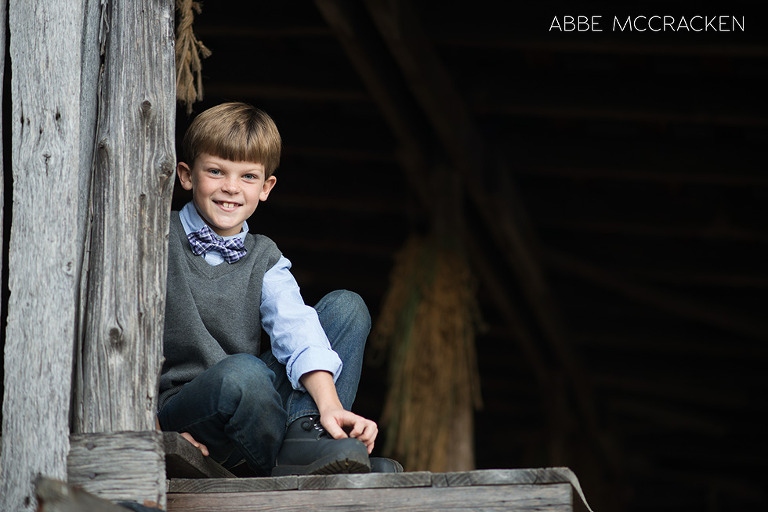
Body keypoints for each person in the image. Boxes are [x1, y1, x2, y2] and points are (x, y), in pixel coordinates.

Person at [157, 102, 400, 476]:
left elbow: (296, 328)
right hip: (189, 407)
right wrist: (153, 429)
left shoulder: (264, 256)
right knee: (244, 374)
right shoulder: (158, 235)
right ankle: (296, 461)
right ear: (187, 176)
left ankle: (311, 437)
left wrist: (331, 406)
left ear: (267, 187)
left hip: (254, 408)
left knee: (346, 308)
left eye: (248, 177)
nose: (231, 188)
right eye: (216, 171)